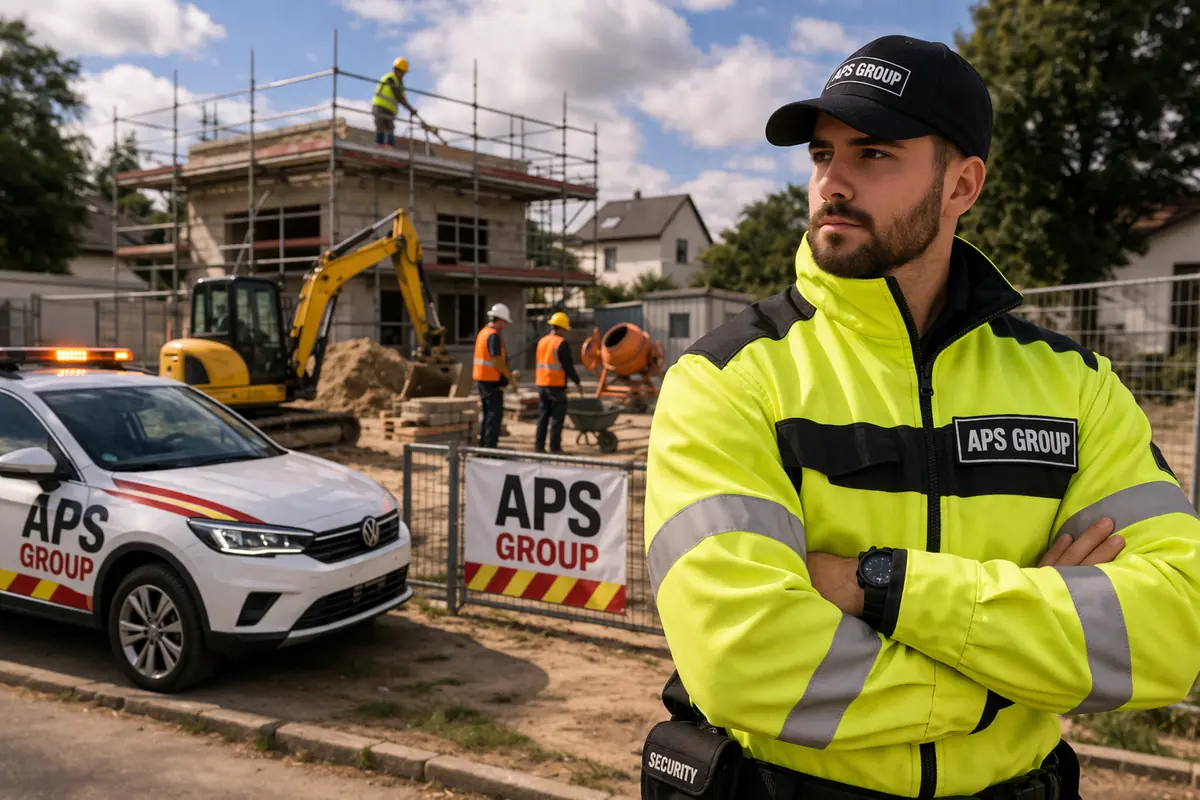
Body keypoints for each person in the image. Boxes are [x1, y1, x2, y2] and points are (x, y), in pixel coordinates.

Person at [641, 34, 1200, 800]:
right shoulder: (728, 378)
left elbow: (1172, 630)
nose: (831, 182)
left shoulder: (1076, 386)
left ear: (962, 184)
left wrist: (879, 585)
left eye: (872, 154)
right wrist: (1012, 674)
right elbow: (742, 658)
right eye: (820, 154)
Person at [534, 311, 582, 454]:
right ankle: (555, 448)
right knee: (557, 418)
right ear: (561, 328)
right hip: (555, 386)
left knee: (543, 416)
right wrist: (577, 382)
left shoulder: (542, 341)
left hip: (542, 384)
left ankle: (539, 446)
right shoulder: (561, 344)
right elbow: (568, 366)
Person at [472, 303, 516, 449]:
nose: (504, 325)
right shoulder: (493, 336)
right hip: (491, 381)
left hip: (482, 379)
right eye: (504, 322)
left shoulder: (483, 332)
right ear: (500, 320)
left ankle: (484, 446)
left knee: (487, 414)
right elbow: (497, 360)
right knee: (493, 415)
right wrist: (509, 377)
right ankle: (490, 448)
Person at [372, 57, 436, 147]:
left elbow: (403, 98)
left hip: (390, 110)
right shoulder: (390, 78)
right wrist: (410, 109)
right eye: (401, 71)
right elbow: (399, 97)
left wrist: (411, 109)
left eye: (403, 72)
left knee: (389, 130)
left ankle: (388, 152)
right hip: (380, 107)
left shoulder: (400, 83)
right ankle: (379, 152)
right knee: (381, 129)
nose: (402, 74)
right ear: (396, 69)